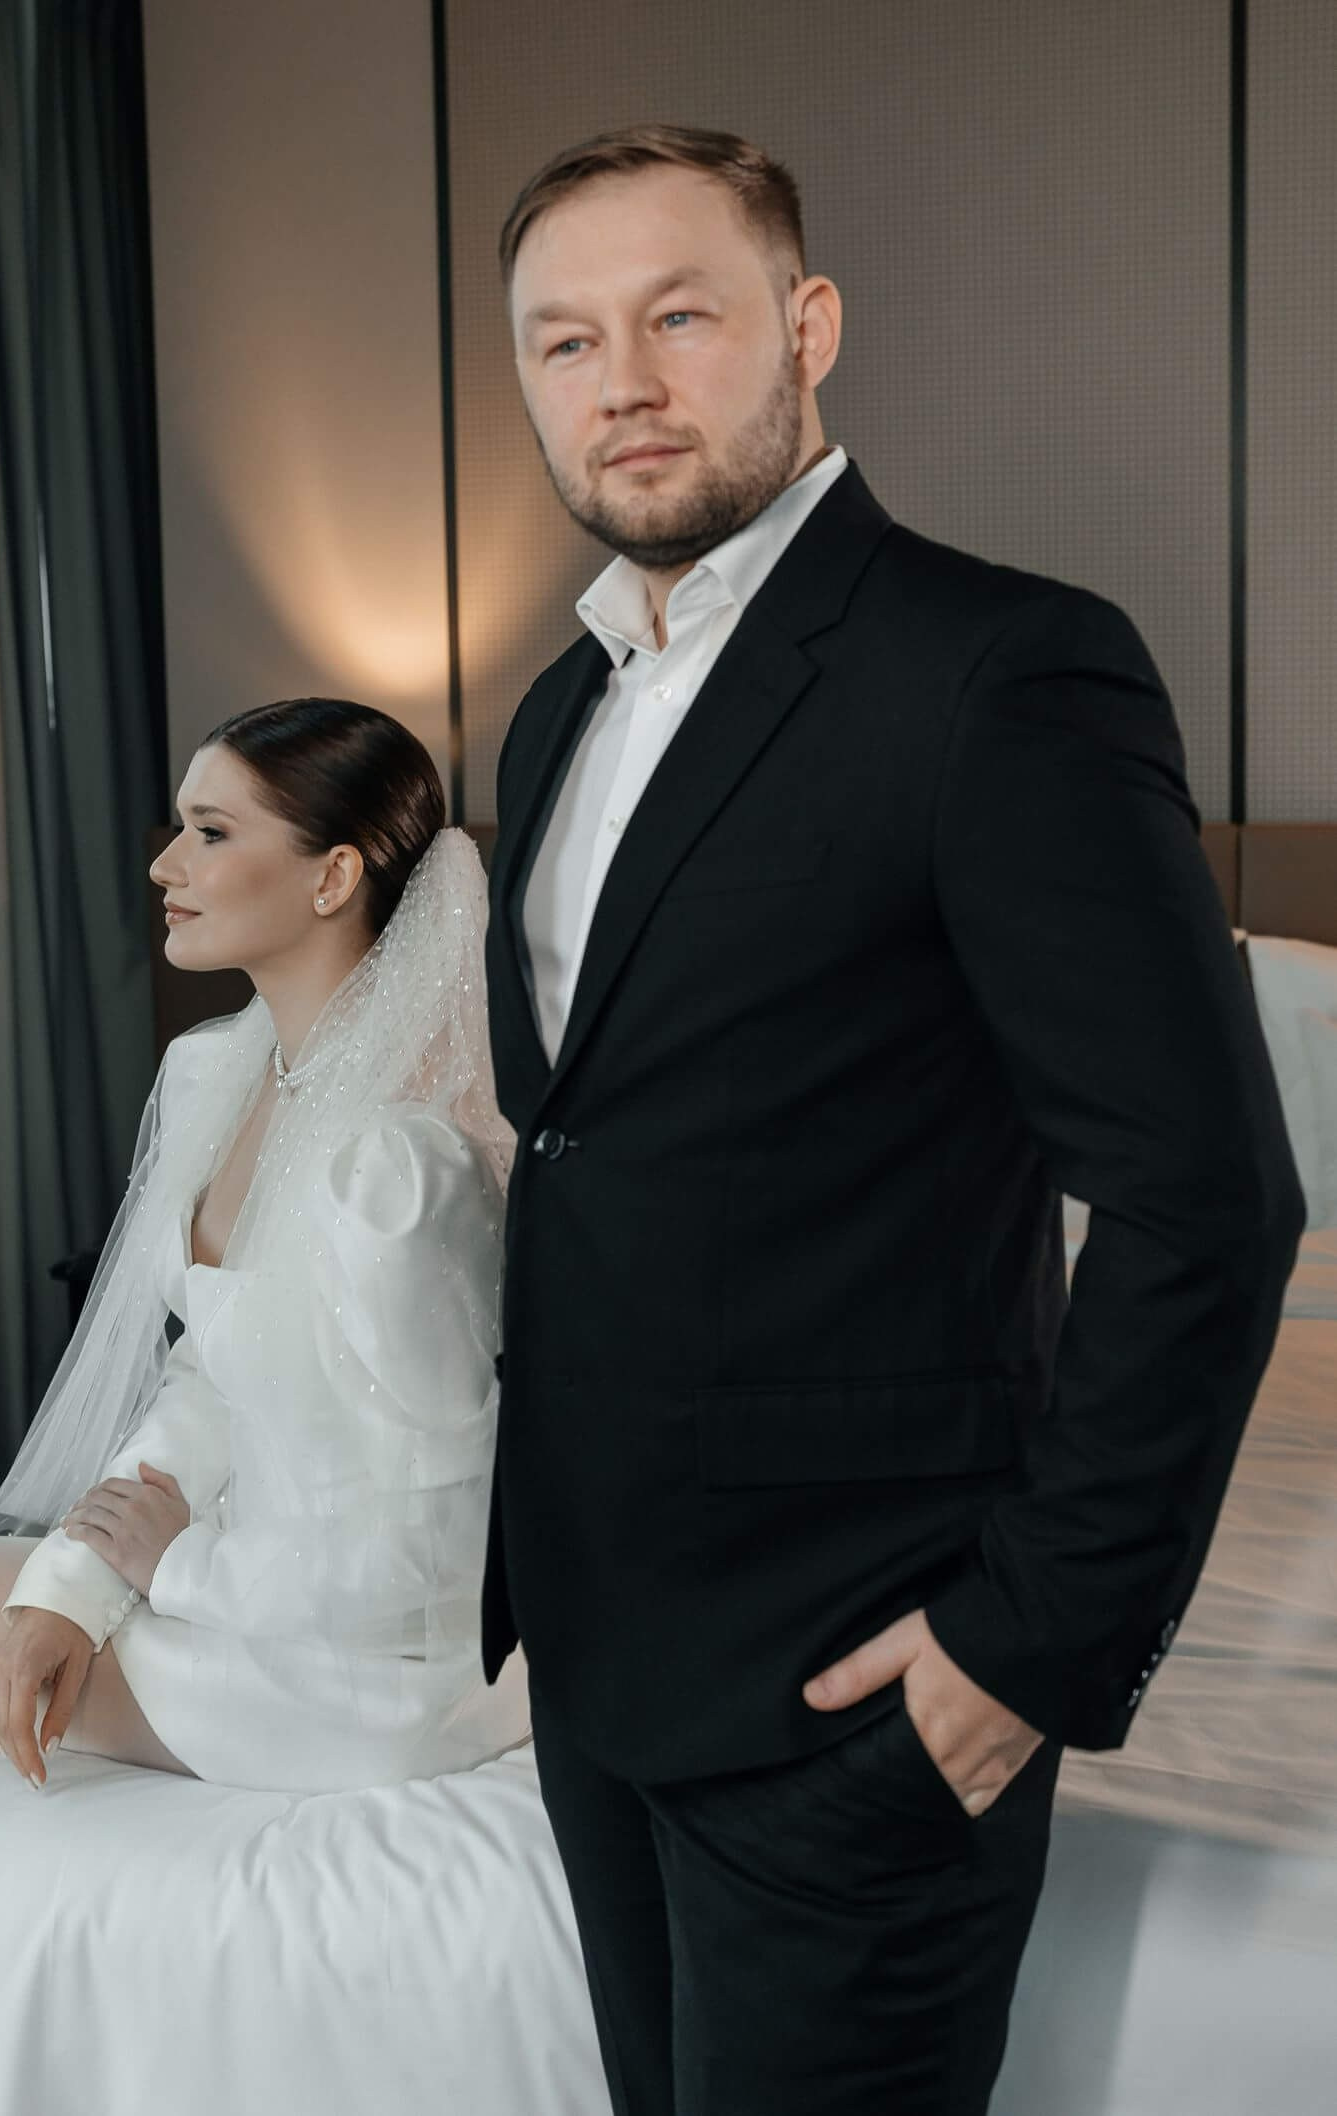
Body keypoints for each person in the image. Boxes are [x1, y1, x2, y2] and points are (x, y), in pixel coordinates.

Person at [477, 123, 1307, 2115]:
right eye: (564, 339)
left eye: (683, 313)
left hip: (858, 1676)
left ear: (808, 325)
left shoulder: (999, 667)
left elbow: (1207, 1199)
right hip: (600, 1661)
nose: (626, 380)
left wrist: (1023, 1648)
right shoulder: (552, 707)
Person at [0, 698, 532, 2054]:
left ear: (333, 873)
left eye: (209, 831)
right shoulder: (225, 1076)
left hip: (358, 1675)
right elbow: (215, 1379)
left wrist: (155, 1573)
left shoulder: (394, 1173)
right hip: (262, 1615)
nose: (163, 866)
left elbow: (437, 1536)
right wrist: (79, 1574)